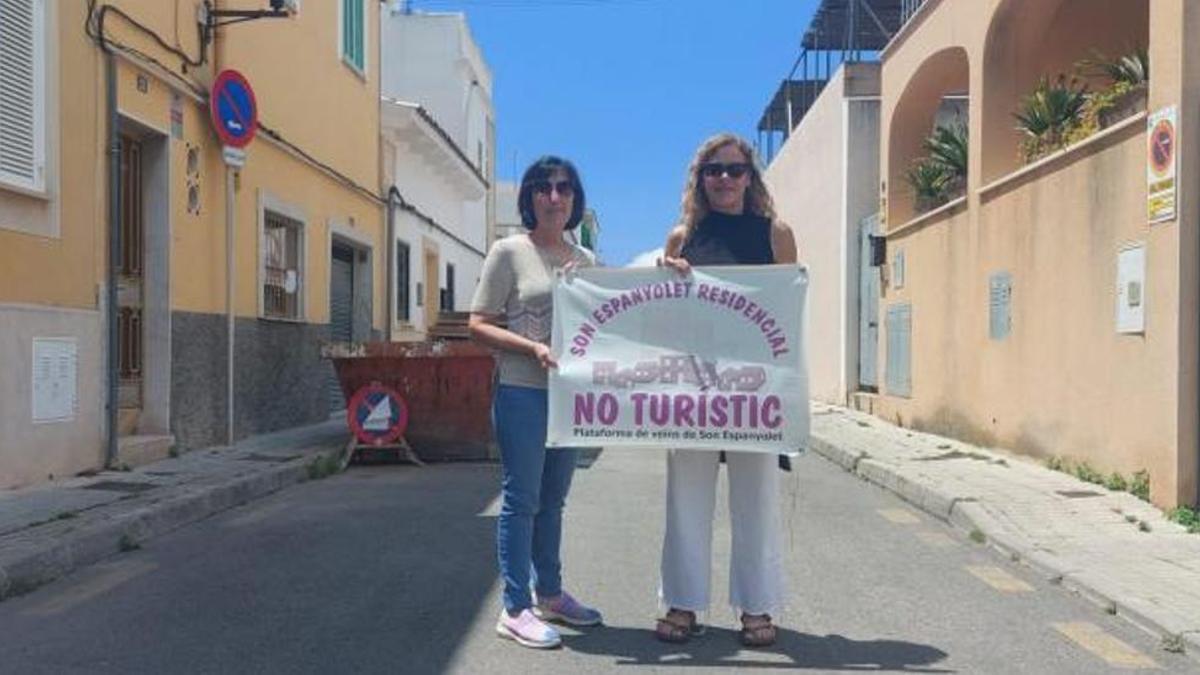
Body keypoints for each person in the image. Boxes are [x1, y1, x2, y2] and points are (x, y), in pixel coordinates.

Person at [654, 133, 799, 648]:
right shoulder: (680, 237)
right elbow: (664, 315)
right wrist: (665, 281)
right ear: (700, 178)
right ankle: (683, 601)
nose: (724, 180)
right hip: (691, 385)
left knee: (756, 497)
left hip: (753, 387)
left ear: (750, 177)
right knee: (686, 497)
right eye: (713, 171)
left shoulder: (775, 234)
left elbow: (786, 310)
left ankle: (756, 605)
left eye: (734, 170)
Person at [468, 156, 602, 650]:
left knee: (554, 501)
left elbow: (610, 325)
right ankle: (515, 607)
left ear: (575, 199)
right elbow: (477, 322)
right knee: (521, 499)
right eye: (544, 188)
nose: (554, 196)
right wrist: (532, 348)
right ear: (529, 198)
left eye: (564, 187)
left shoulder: (586, 262)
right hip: (523, 391)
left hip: (570, 399)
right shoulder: (509, 251)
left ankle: (550, 593)